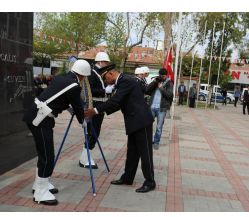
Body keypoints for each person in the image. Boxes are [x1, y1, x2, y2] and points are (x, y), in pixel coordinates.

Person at [22, 59, 90, 205]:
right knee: (47, 155)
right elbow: (77, 106)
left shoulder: (61, 77)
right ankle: (40, 193)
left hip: (36, 114)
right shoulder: (74, 86)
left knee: (44, 154)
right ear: (84, 75)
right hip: (41, 119)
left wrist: (73, 111)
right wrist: (82, 121)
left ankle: (40, 184)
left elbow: (61, 98)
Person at [84, 65, 156, 193]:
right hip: (134, 121)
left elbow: (116, 100)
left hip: (141, 121)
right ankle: (127, 178)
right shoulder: (123, 80)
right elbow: (120, 102)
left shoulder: (126, 80)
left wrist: (95, 110)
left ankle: (150, 182)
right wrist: (101, 111)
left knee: (145, 153)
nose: (106, 82)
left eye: (105, 79)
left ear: (111, 74)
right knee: (132, 152)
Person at [78, 52, 110, 169]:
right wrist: (105, 91)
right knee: (93, 132)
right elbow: (90, 90)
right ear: (99, 62)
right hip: (94, 104)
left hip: (99, 104)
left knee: (94, 132)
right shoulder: (92, 73)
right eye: (105, 62)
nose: (106, 64)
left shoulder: (98, 73)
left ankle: (85, 156)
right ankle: (85, 157)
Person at [146, 68, 173, 150]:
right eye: (160, 75)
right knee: (148, 125)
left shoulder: (169, 83)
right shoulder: (156, 81)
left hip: (162, 108)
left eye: (163, 76)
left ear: (166, 75)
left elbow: (169, 95)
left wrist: (161, 88)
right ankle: (148, 141)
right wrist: (155, 81)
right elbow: (147, 90)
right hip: (152, 107)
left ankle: (156, 142)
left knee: (159, 127)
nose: (162, 77)